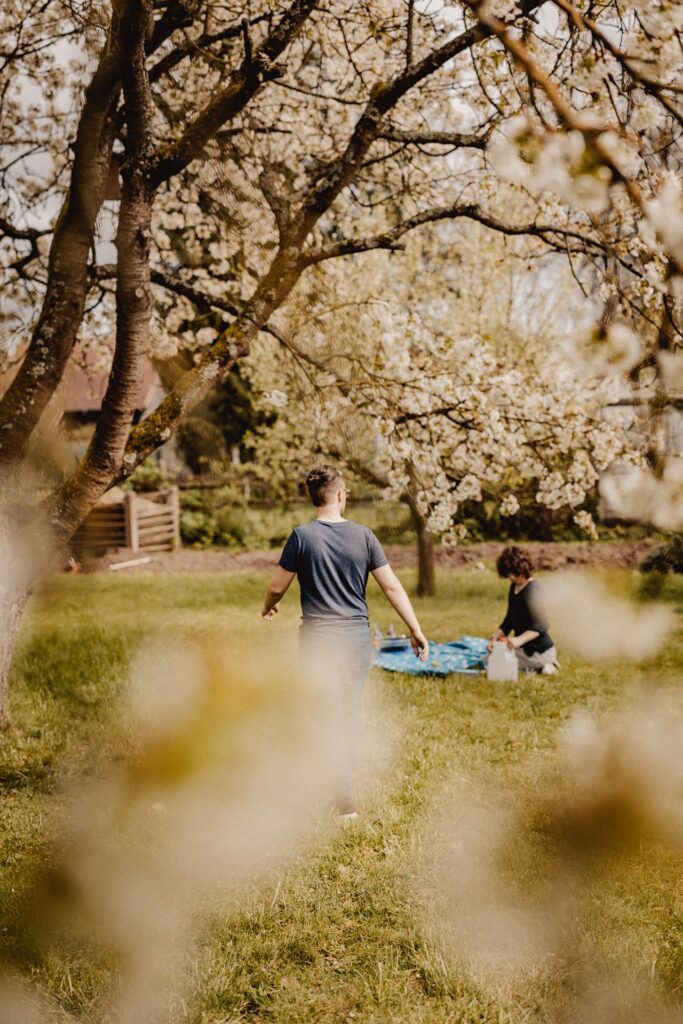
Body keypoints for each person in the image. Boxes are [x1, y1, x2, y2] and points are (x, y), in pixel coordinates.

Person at [261, 464, 429, 819]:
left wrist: (268, 607)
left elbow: (278, 586)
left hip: (318, 640)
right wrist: (415, 628)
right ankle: (344, 799)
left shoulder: (301, 537)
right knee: (348, 712)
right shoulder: (364, 536)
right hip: (354, 639)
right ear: (340, 495)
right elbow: (392, 586)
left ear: (313, 498)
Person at [488, 546, 559, 675]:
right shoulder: (514, 588)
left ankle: (545, 664)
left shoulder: (533, 590)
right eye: (509, 574)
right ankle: (539, 667)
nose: (511, 577)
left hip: (539, 650)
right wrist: (495, 638)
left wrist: (518, 640)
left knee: (492, 662)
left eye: (514, 573)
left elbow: (541, 624)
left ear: (523, 569)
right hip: (523, 648)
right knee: (491, 656)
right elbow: (509, 620)